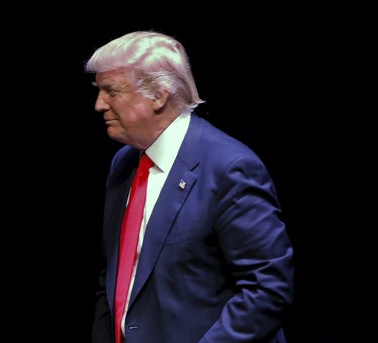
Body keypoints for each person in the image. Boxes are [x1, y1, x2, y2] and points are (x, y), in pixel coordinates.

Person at [85, 31, 294, 343]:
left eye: (111, 91)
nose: (99, 104)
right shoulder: (123, 164)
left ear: (158, 94)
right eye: (99, 90)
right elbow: (115, 278)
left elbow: (267, 288)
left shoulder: (229, 167)